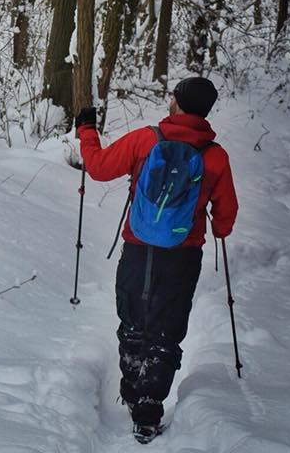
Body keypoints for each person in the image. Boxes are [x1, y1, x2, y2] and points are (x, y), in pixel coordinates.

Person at [74, 77, 238, 444]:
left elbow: (98, 168)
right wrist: (221, 228)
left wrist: (87, 130)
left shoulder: (147, 139)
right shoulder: (215, 155)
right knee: (167, 329)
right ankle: (149, 409)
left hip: (139, 247)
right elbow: (226, 214)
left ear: (177, 103)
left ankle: (132, 389)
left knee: (134, 318)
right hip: (183, 256)